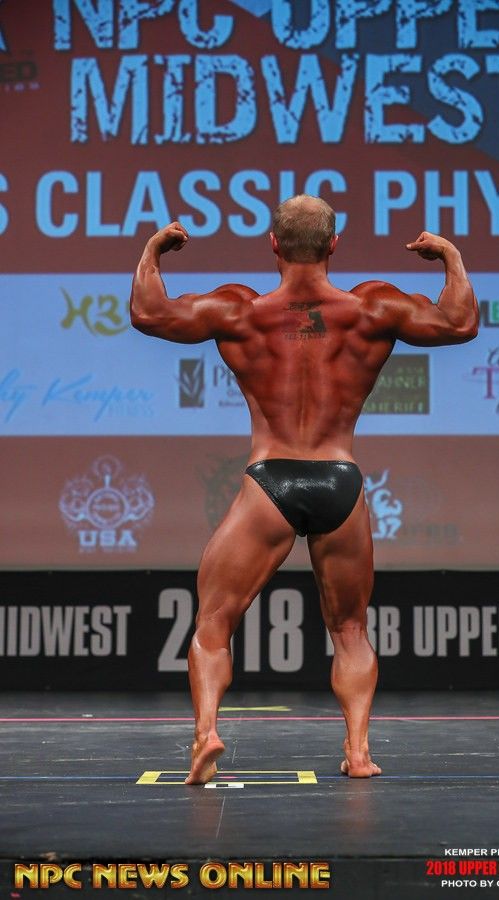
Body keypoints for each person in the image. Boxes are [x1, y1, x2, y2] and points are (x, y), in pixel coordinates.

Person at [130, 195, 478, 784]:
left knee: (214, 622)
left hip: (271, 478)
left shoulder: (240, 310)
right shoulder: (372, 307)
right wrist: (450, 256)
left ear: (273, 244)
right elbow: (460, 322)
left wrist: (154, 249)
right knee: (350, 629)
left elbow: (149, 312)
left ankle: (206, 734)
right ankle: (359, 752)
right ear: (333, 245)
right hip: (339, 478)